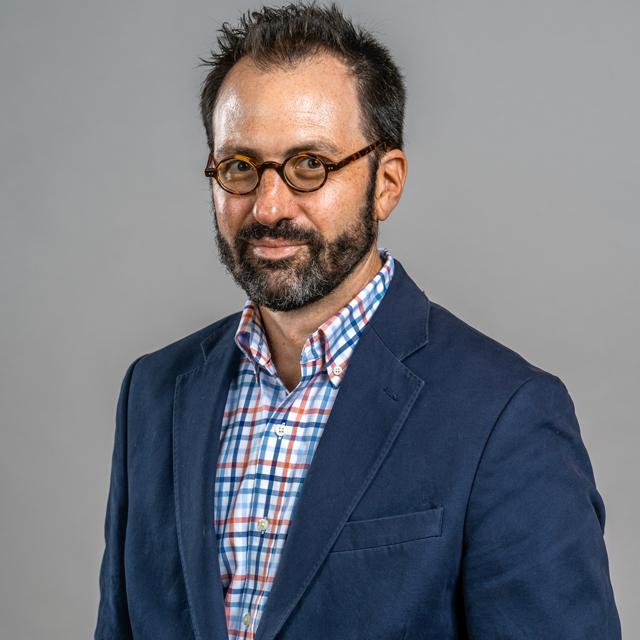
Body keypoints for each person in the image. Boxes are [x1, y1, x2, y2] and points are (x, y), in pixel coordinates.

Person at [94, 4, 621, 639]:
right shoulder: (153, 394)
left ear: (386, 184)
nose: (268, 204)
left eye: (309, 164)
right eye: (239, 166)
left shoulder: (505, 416)